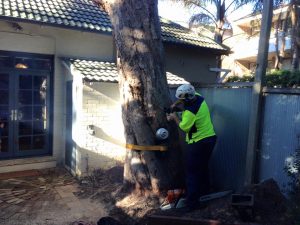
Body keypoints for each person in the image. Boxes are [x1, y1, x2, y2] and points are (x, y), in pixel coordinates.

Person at [166, 84, 217, 211]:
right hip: (210, 138)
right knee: (202, 167)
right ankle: (205, 192)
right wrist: (175, 105)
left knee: (192, 172)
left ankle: (192, 204)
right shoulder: (199, 97)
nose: (180, 101)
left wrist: (174, 117)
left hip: (199, 142)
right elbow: (185, 99)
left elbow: (184, 127)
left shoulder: (190, 111)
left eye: (181, 100)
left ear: (185, 100)